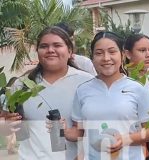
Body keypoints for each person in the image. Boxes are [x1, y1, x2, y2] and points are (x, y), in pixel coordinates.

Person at [68, 31, 149, 160]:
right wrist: (62, 130)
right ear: (92, 58)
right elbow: (80, 131)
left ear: (122, 55)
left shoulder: (138, 89)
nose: (106, 58)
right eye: (99, 53)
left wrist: (125, 139)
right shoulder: (82, 90)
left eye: (112, 52)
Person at [8, 26, 94, 160]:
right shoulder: (22, 84)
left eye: (57, 45)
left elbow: (98, 129)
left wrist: (68, 132)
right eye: (44, 46)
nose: (50, 50)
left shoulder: (87, 83)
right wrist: (6, 124)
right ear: (37, 51)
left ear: (70, 51)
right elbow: (7, 125)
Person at [124, 33, 149, 160]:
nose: (148, 54)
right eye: (142, 50)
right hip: (131, 140)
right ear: (128, 54)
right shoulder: (121, 80)